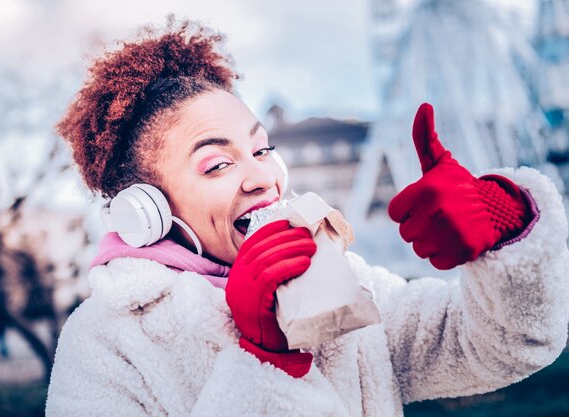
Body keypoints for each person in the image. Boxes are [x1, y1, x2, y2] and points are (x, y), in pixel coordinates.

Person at [45, 20, 569, 417]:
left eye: (263, 148)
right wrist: (263, 360)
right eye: (218, 164)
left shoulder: (345, 281)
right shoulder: (103, 342)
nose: (262, 178)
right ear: (146, 211)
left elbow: (499, 348)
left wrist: (508, 223)